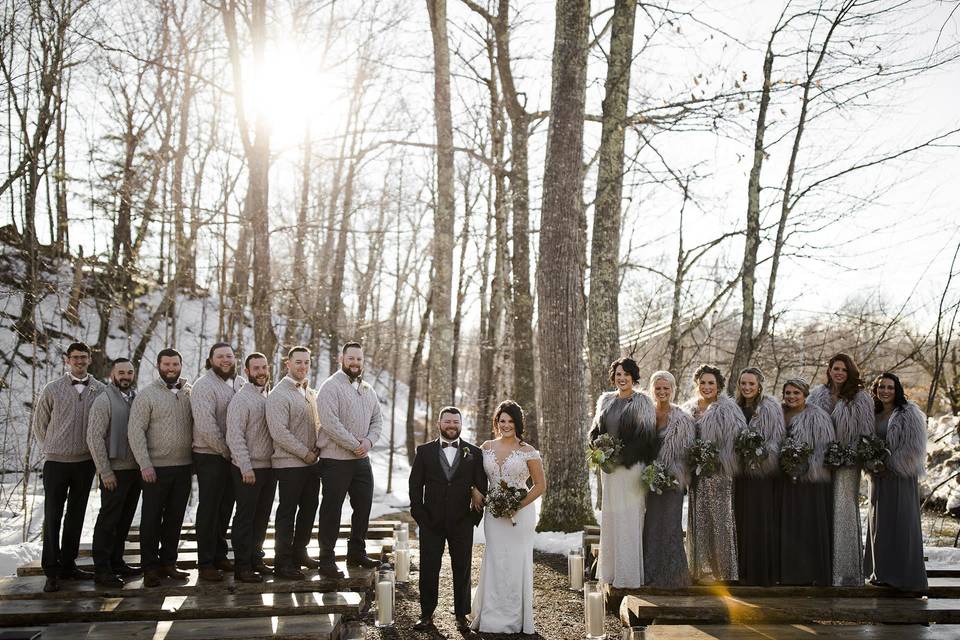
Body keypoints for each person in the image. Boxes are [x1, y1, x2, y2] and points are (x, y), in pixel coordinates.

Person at [32, 341, 105, 593]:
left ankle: (68, 564)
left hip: (85, 463)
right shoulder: (52, 389)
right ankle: (51, 571)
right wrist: (52, 446)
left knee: (76, 515)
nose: (80, 361)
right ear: (67, 360)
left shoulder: (100, 389)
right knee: (52, 516)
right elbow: (39, 424)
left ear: (89, 360)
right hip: (56, 464)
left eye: (83, 357)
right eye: (75, 357)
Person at [408, 406, 487, 632]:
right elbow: (415, 485)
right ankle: (426, 614)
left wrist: (473, 517)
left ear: (461, 424)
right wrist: (420, 515)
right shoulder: (424, 451)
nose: (452, 425)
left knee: (462, 569)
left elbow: (482, 486)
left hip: (462, 521)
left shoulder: (473, 453)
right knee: (429, 568)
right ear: (439, 424)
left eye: (455, 422)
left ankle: (462, 615)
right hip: (431, 522)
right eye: (447, 422)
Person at [471, 401, 545, 634]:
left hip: (519, 516)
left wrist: (517, 506)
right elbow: (475, 476)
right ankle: (490, 615)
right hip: (493, 514)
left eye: (510, 421)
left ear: (518, 423)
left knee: (516, 561)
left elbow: (540, 485)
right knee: (495, 558)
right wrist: (474, 489)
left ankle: (516, 617)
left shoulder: (527, 451)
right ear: (497, 422)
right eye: (502, 421)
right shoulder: (486, 447)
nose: (506, 425)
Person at [587, 357, 657, 588]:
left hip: (630, 469)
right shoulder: (606, 401)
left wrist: (620, 456)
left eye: (626, 373)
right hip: (609, 471)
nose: (621, 378)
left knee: (629, 519)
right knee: (611, 518)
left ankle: (629, 576)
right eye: (618, 373)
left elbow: (646, 440)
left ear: (633, 377)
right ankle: (610, 573)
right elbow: (595, 431)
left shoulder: (643, 402)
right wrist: (598, 447)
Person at [127, 348, 194, 587]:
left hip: (184, 467)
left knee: (175, 518)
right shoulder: (147, 395)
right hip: (155, 469)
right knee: (151, 519)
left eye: (175, 364)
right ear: (158, 366)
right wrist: (145, 464)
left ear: (180, 365)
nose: (171, 368)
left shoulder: (188, 392)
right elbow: (135, 432)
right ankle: (150, 567)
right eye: (166, 364)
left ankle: (169, 562)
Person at [316, 341, 383, 576]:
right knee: (332, 509)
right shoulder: (330, 387)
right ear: (341, 359)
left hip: (361, 460)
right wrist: (355, 444)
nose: (355, 363)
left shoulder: (367, 389)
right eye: (351, 358)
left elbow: (377, 420)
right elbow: (330, 422)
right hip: (335, 461)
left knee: (363, 506)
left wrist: (368, 442)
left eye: (359, 359)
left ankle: (356, 552)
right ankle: (326, 558)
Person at [808, 353, 873, 586]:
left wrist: (848, 453)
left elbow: (866, 433)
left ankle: (846, 573)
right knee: (822, 511)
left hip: (848, 462)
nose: (839, 373)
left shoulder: (861, 398)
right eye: (835, 368)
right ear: (829, 370)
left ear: (850, 373)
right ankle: (822, 570)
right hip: (821, 462)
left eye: (844, 370)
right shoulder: (816, 396)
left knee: (844, 512)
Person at [863, 372, 928, 593]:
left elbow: (913, 449)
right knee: (879, 524)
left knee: (901, 523)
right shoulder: (873, 412)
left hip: (900, 476)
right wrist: (871, 461)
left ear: (897, 389)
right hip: (878, 477)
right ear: (876, 389)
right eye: (881, 387)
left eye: (890, 387)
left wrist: (888, 464)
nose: (885, 391)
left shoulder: (908, 413)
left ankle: (904, 576)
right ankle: (881, 572)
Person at [683, 364, 744, 583]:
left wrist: (716, 457)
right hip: (697, 476)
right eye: (702, 383)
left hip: (720, 474)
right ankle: (701, 570)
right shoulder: (687, 409)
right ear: (696, 385)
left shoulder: (729, 409)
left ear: (718, 386)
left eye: (711, 383)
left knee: (721, 521)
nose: (706, 387)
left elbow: (737, 441)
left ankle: (724, 572)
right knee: (699, 520)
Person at [266, 346, 321, 580]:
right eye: (298, 362)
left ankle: (300, 552)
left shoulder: (309, 392)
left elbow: (318, 424)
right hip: (289, 463)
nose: (303, 366)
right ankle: (282, 562)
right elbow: (279, 432)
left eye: (307, 362)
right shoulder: (279, 394)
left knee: (309, 509)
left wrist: (317, 448)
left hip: (311, 462)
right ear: (287, 364)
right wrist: (305, 453)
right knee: (287, 512)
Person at [87, 357, 141, 587]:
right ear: (112, 374)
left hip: (133, 470)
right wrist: (105, 471)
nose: (126, 376)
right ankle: (102, 569)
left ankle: (117, 561)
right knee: (108, 520)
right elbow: (94, 438)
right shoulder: (104, 400)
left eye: (129, 372)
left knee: (124, 519)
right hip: (114, 471)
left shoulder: (135, 398)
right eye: (121, 373)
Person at [191, 342, 241, 582]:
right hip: (210, 455)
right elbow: (206, 425)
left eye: (229, 356)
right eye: (220, 356)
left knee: (225, 508)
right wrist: (227, 450)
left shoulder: (240, 383)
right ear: (211, 360)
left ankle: (221, 554)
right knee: (209, 509)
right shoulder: (203, 386)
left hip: (232, 457)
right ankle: (205, 562)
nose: (225, 360)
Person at [226, 352, 277, 583]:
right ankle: (242, 566)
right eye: (255, 368)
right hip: (247, 468)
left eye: (263, 367)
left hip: (268, 467)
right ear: (246, 372)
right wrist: (245, 466)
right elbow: (234, 436)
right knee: (245, 518)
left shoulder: (269, 395)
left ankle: (256, 558)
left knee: (262, 517)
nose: (260, 372)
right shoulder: (241, 399)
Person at [733, 367, 785, 586]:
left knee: (760, 519)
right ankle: (742, 570)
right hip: (739, 474)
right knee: (741, 519)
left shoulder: (770, 407)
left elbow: (777, 438)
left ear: (760, 385)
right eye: (743, 383)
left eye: (751, 384)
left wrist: (760, 452)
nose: (747, 388)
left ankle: (761, 572)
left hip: (761, 473)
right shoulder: (734, 407)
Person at [643, 371, 695, 588]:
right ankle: (649, 574)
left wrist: (669, 474)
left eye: (666, 388)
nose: (662, 392)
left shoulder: (683, 419)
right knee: (650, 526)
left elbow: (686, 454)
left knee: (670, 526)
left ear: (673, 390)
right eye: (658, 388)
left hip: (672, 482)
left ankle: (673, 577)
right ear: (652, 390)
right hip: (646, 481)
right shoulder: (644, 414)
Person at [779, 378, 833, 586]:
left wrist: (803, 465)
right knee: (785, 526)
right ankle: (787, 572)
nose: (792, 397)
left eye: (796, 393)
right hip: (783, 478)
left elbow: (824, 448)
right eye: (788, 393)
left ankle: (808, 572)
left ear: (805, 394)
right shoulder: (777, 413)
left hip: (810, 481)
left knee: (806, 524)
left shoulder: (817, 416)